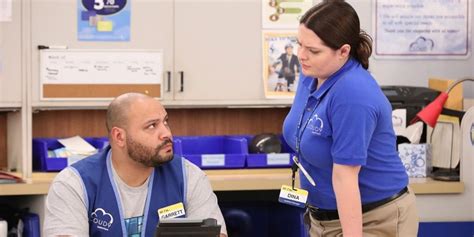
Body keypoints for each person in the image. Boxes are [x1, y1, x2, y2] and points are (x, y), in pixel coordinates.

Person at [282, 1, 418, 237]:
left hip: (373, 220)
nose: (301, 55)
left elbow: (345, 177)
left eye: (313, 50)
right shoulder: (311, 74)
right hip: (322, 219)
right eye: (299, 44)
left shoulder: (353, 93)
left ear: (344, 51)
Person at [43, 93, 227, 237]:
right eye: (152, 126)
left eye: (165, 122)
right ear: (119, 137)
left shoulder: (189, 177)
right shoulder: (73, 183)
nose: (166, 134)